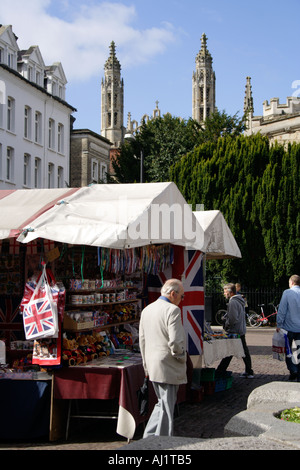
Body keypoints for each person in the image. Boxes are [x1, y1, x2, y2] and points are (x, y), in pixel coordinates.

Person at [139, 278, 186, 438]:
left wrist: (146, 366)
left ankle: (149, 438)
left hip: (153, 364)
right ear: (173, 294)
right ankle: (162, 443)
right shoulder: (172, 310)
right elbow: (175, 341)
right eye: (182, 296)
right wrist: (181, 356)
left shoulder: (147, 309)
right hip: (168, 364)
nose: (181, 300)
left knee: (162, 403)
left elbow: (142, 341)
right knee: (166, 405)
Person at [216, 283, 254, 378]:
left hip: (235, 330)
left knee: (230, 351)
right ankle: (248, 370)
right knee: (240, 351)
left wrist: (227, 325)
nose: (224, 294)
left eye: (225, 291)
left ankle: (220, 370)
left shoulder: (233, 302)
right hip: (240, 329)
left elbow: (233, 318)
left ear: (230, 292)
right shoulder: (239, 300)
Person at [276, 275, 300, 381]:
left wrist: (279, 324)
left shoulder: (287, 292)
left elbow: (282, 310)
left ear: (292, 282)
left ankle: (293, 369)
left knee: (288, 350)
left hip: (289, 327)